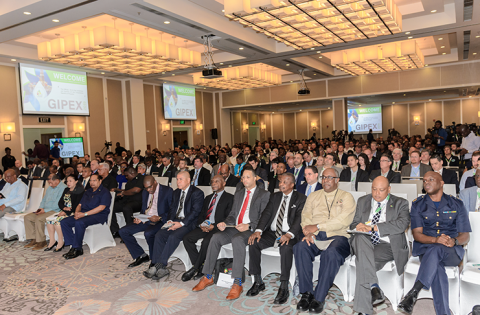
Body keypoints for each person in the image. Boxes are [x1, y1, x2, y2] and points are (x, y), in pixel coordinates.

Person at [398, 172, 471, 315]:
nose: (427, 183)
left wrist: (454, 240)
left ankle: (414, 292)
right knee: (437, 265)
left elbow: (466, 236)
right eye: (424, 180)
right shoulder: (418, 205)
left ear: (441, 183)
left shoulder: (456, 204)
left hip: (451, 252)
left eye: (431, 179)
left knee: (437, 251)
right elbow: (417, 235)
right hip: (427, 248)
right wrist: (435, 240)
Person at [192, 168, 270, 300]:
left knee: (237, 240)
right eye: (243, 177)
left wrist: (249, 225)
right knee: (216, 237)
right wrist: (224, 223)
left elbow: (265, 218)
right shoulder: (239, 193)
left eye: (248, 177)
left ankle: (237, 282)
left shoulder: (264, 194)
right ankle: (208, 276)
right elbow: (232, 215)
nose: (244, 180)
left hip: (251, 229)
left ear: (255, 178)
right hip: (235, 226)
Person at [294, 168, 356, 314]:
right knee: (300, 247)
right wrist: (307, 231)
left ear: (337, 180)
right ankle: (306, 293)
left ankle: (319, 297)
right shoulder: (313, 196)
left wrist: (318, 226)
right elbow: (306, 216)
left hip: (338, 236)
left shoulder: (346, 197)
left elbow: (343, 221)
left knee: (331, 253)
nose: (326, 180)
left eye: (330, 177)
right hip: (316, 235)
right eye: (324, 177)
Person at [350, 177, 410, 315]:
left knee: (363, 261)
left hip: (387, 244)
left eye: (381, 190)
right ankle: (373, 287)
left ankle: (366, 303)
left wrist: (374, 228)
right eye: (374, 189)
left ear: (389, 189)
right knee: (359, 237)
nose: (377, 193)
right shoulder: (363, 201)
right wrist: (358, 226)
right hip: (364, 241)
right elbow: (353, 223)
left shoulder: (401, 203)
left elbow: (402, 224)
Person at [247, 172, 306, 304]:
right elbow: (266, 214)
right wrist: (258, 231)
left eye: (285, 182)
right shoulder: (275, 196)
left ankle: (284, 285)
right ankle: (258, 280)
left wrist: (289, 234)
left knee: (286, 248)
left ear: (292, 184)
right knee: (253, 242)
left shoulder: (301, 198)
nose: (281, 184)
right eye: (280, 182)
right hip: (272, 233)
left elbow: (299, 219)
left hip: (289, 233)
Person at [143, 171, 204, 280]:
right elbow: (171, 209)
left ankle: (159, 265)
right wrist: (170, 221)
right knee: (159, 235)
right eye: (177, 179)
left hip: (188, 223)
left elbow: (195, 212)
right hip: (175, 220)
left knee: (173, 236)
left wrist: (181, 224)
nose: (178, 181)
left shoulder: (197, 192)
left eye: (181, 179)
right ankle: (158, 266)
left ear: (188, 180)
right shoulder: (176, 192)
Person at [182, 175, 234, 281]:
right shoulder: (208, 198)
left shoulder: (230, 198)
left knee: (206, 242)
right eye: (212, 181)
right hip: (205, 226)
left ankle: (195, 268)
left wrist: (213, 226)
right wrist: (201, 224)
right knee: (187, 238)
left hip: (218, 228)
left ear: (224, 183)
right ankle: (200, 266)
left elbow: (228, 218)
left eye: (217, 181)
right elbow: (201, 214)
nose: (213, 183)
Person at [119, 175, 173, 268]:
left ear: (155, 182)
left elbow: (172, 211)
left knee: (149, 233)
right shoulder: (145, 192)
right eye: (146, 188)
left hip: (159, 220)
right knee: (123, 231)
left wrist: (159, 218)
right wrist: (139, 217)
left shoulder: (167, 191)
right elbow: (144, 208)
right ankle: (141, 255)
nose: (148, 190)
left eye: (150, 187)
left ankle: (154, 259)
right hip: (146, 219)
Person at [60, 174, 112, 259]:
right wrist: (77, 213)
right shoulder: (88, 192)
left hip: (98, 216)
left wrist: (84, 214)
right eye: (90, 180)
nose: (92, 182)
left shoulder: (105, 192)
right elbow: (79, 205)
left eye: (94, 180)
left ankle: (77, 248)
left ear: (100, 181)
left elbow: (101, 208)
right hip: (84, 214)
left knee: (79, 222)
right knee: (64, 222)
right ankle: (74, 245)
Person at [23, 174, 67, 250]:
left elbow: (58, 204)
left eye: (51, 183)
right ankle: (34, 239)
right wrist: (40, 208)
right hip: (45, 210)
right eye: (49, 183)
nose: (50, 185)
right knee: (27, 217)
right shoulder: (50, 188)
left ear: (57, 180)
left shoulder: (63, 188)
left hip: (55, 210)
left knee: (39, 219)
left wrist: (45, 210)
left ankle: (41, 242)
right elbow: (43, 200)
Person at [45, 174, 85, 252]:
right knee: (49, 220)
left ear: (76, 181)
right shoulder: (66, 189)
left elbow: (77, 205)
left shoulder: (80, 191)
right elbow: (60, 202)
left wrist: (66, 211)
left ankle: (61, 242)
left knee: (57, 221)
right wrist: (64, 208)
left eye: (70, 181)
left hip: (73, 212)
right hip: (64, 210)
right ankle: (52, 241)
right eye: (67, 181)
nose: (68, 183)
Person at [109, 167, 145, 236]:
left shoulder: (141, 178)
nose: (126, 177)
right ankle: (115, 230)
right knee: (112, 206)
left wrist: (123, 193)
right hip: (127, 200)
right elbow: (126, 191)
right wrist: (118, 190)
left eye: (127, 175)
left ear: (132, 173)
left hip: (138, 202)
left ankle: (129, 231)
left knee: (127, 208)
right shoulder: (129, 181)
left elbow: (136, 190)